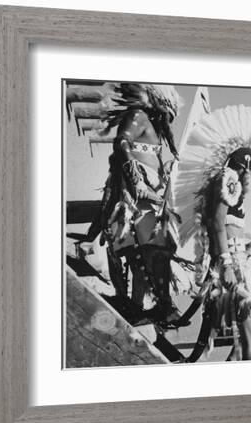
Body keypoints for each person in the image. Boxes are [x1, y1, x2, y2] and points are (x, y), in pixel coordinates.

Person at [172, 104, 251, 361]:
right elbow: (217, 225)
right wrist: (227, 265)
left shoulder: (233, 187)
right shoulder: (226, 181)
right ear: (245, 167)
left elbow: (229, 229)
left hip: (239, 269)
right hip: (229, 272)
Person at [97, 83, 185, 326]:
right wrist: (136, 180)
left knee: (155, 253)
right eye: (169, 115)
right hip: (137, 199)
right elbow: (122, 142)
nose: (170, 122)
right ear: (160, 106)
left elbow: (141, 153)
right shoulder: (139, 116)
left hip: (151, 198)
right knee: (152, 252)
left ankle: (142, 307)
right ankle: (159, 307)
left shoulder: (151, 126)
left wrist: (164, 169)